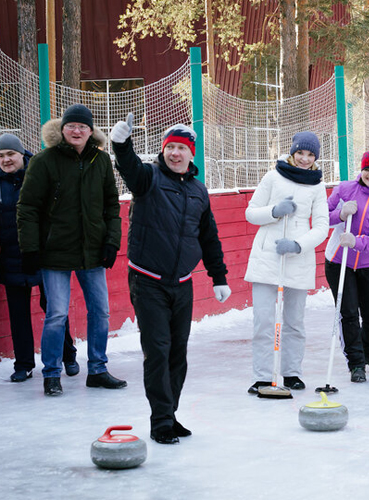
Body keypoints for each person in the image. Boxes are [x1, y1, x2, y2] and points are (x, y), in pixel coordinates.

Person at [109, 114, 231, 444]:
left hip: (182, 283)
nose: (175, 154)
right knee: (158, 351)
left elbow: (209, 238)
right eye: (170, 147)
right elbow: (130, 168)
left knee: (178, 353)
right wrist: (121, 145)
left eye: (181, 148)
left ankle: (170, 412)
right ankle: (161, 420)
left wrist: (219, 276)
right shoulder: (148, 178)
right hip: (148, 280)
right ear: (163, 151)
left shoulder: (198, 191)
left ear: (192, 154)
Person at [17, 104, 125, 397]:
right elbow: (27, 208)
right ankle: (51, 374)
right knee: (56, 314)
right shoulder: (44, 161)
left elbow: (111, 205)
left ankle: (99, 369)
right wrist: (30, 249)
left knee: (100, 312)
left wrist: (111, 241)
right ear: (62, 129)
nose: (76, 131)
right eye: (71, 126)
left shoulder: (100, 162)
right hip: (55, 252)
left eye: (82, 127)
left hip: (92, 251)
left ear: (91, 131)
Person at [0, 133, 78, 383]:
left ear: (21, 154)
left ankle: (68, 355)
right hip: (13, 259)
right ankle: (23, 364)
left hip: (45, 257)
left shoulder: (39, 177)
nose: (6, 159)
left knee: (54, 309)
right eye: (0, 155)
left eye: (10, 154)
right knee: (18, 314)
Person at [244, 131, 329, 395]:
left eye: (311, 155)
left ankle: (291, 372)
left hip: (297, 260)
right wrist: (274, 211)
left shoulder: (316, 186)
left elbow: (322, 226)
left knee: (294, 321)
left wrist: (298, 245)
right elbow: (250, 212)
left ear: (316, 157)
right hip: (267, 258)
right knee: (264, 321)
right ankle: (262, 376)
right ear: (292, 152)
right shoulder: (273, 177)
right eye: (301, 153)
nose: (305, 159)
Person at [324, 150, 369, 382]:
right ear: (361, 170)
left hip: (368, 264)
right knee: (349, 313)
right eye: (367, 169)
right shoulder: (345, 189)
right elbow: (322, 217)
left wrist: (356, 242)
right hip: (338, 261)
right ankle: (356, 363)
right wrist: (341, 214)